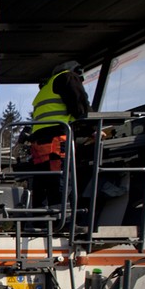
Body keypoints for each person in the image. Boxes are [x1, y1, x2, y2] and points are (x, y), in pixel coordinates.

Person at [29, 60, 91, 208]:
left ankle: (42, 220)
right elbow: (80, 107)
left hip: (39, 141)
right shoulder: (67, 77)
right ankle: (61, 221)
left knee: (42, 181)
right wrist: (92, 131)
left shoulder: (46, 88)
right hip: (56, 139)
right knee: (60, 178)